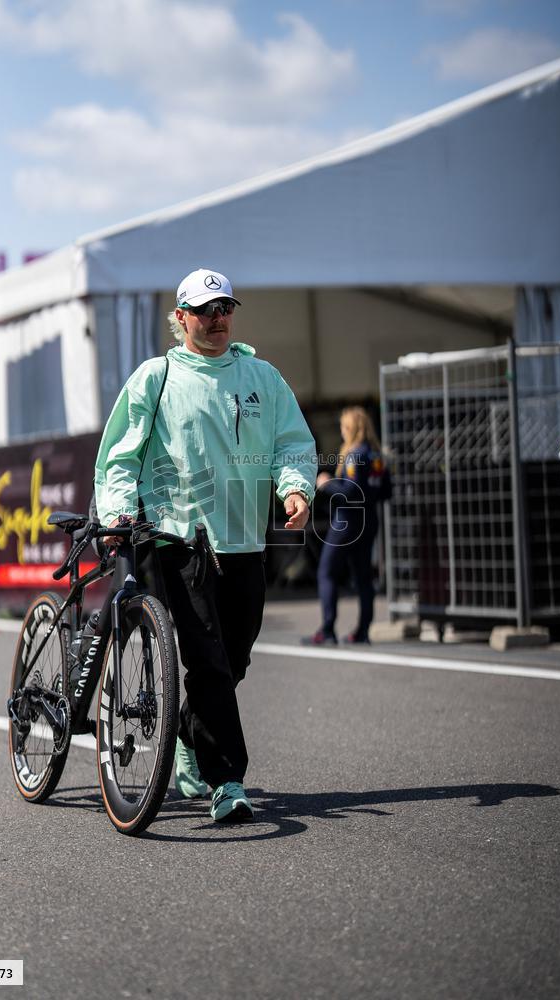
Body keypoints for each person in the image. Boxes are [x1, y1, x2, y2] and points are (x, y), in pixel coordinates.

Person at [94, 268, 316, 823]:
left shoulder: (263, 377)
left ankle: (192, 736)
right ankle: (228, 781)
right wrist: (118, 507)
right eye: (206, 311)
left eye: (226, 309)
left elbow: (293, 441)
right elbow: (120, 454)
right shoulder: (157, 376)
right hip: (179, 539)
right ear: (181, 319)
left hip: (244, 541)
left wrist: (294, 486)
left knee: (234, 656)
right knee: (209, 661)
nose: (218, 320)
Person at [303, 406, 391, 646]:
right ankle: (362, 631)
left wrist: (326, 483)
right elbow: (386, 491)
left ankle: (328, 630)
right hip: (369, 520)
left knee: (327, 572)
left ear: (351, 429)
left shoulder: (354, 455)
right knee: (363, 577)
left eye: (343, 428)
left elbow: (350, 492)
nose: (342, 433)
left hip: (347, 522)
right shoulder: (376, 455)